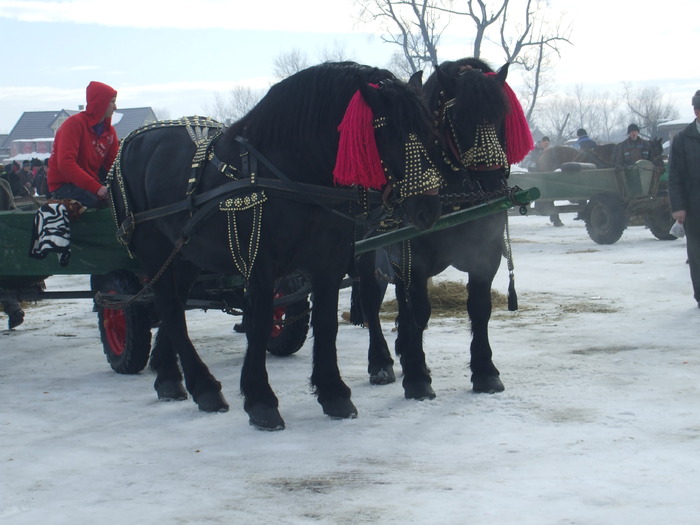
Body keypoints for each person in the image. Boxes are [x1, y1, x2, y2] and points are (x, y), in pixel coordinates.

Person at [47, 81, 119, 208]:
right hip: (64, 185)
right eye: (112, 102)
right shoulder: (74, 125)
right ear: (101, 102)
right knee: (103, 205)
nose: (115, 107)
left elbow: (113, 166)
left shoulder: (109, 132)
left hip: (89, 184)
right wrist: (98, 188)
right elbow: (65, 164)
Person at [668, 90, 700, 308]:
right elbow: (675, 175)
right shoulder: (682, 138)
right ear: (696, 111)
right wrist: (678, 207)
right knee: (697, 253)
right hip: (694, 205)